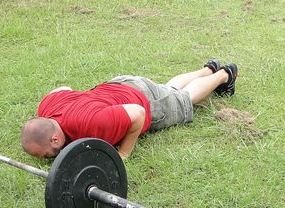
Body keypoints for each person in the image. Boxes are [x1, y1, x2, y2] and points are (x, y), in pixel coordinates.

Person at [21, 59, 238, 160]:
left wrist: (123, 154)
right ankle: (208, 69)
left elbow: (137, 114)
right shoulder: (47, 106)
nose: (43, 159)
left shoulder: (90, 124)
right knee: (168, 89)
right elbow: (63, 88)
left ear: (55, 140)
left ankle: (224, 75)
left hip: (144, 100)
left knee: (185, 99)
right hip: (117, 85)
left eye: (43, 156)